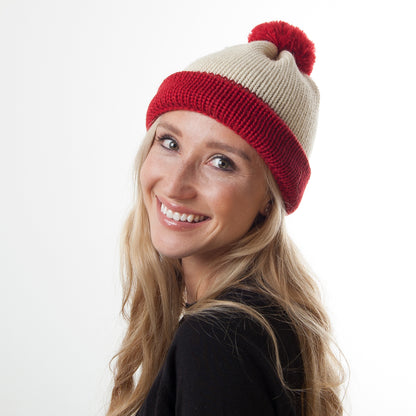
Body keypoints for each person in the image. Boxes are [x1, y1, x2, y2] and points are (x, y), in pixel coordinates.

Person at [107, 20, 344, 416]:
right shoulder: (259, 323)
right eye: (170, 142)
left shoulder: (218, 341)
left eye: (221, 162)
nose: (176, 185)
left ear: (268, 199)